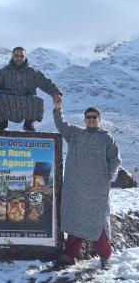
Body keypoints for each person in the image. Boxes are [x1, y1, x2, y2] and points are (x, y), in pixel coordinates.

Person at [53, 97, 121, 270]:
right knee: (76, 220)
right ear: (85, 120)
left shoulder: (106, 138)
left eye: (94, 117)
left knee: (98, 222)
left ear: (99, 120)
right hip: (76, 187)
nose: (91, 119)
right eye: (89, 116)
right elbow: (61, 124)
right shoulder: (76, 134)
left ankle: (105, 257)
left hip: (97, 189)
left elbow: (115, 159)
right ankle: (69, 256)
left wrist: (108, 175)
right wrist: (58, 107)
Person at [0, 46, 62, 131]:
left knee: (38, 101)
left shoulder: (33, 72)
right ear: (12, 56)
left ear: (25, 57)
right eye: (16, 56)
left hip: (26, 101)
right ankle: (3, 124)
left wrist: (56, 94)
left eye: (22, 56)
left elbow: (46, 83)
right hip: (9, 101)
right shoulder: (5, 71)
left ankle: (28, 124)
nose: (19, 58)